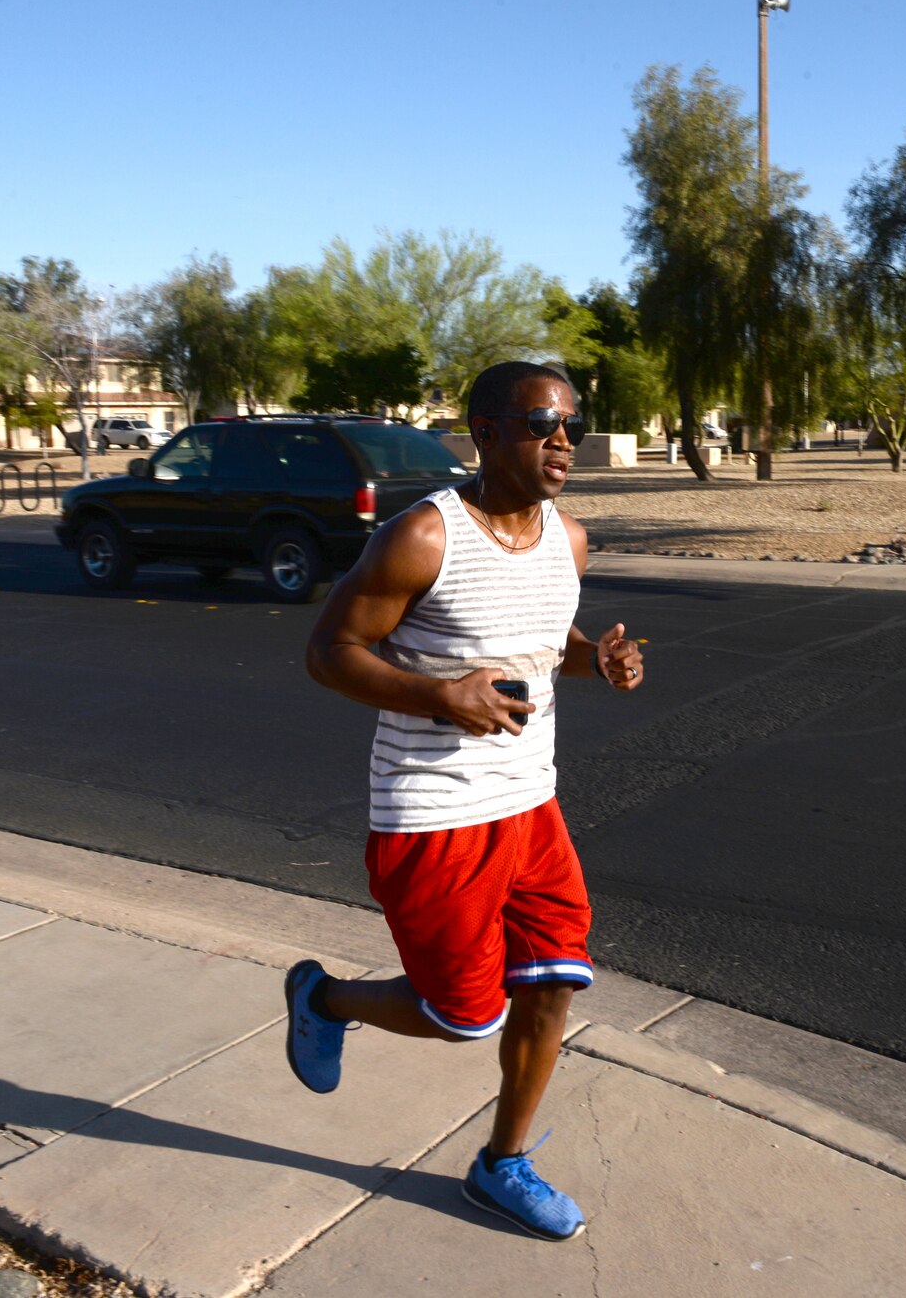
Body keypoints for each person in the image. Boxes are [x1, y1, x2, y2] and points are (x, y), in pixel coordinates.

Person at [287, 361, 644, 1243]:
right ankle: (325, 999)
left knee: (556, 982)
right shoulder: (423, 537)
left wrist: (591, 655)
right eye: (537, 422)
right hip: (432, 813)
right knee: (464, 1014)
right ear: (484, 433)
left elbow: (537, 638)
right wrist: (440, 696)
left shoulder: (571, 539)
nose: (561, 440)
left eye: (570, 422)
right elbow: (330, 650)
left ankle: (502, 1163)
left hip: (532, 805)